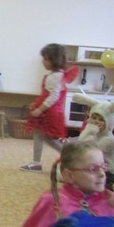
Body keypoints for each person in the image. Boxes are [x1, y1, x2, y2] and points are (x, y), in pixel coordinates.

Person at [20, 43, 71, 172]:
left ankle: (70, 156)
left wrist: (40, 109)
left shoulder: (54, 77)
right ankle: (36, 162)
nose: (43, 62)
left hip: (49, 113)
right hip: (50, 111)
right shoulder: (58, 75)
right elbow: (47, 95)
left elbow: (53, 96)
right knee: (39, 135)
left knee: (48, 138)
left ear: (55, 60)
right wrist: (36, 104)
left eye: (46, 59)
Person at [71, 94, 114, 187]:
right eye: (94, 118)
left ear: (108, 121)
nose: (96, 121)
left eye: (101, 119)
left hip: (104, 171)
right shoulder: (93, 131)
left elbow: (88, 152)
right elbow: (80, 146)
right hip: (90, 164)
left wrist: (90, 130)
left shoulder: (108, 139)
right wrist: (90, 131)